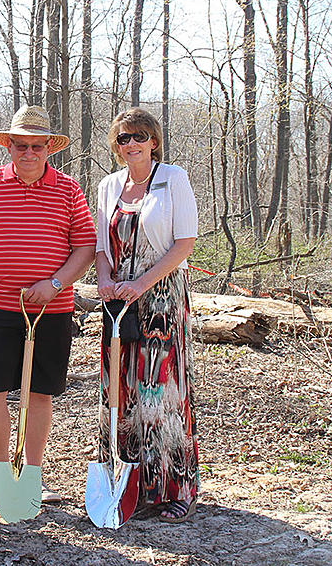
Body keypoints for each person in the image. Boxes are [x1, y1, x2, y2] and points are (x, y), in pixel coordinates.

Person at [0, 104, 96, 504]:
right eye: (21, 145)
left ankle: (32, 475)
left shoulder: (68, 189)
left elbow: (85, 246)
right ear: (10, 147)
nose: (29, 153)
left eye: (37, 146)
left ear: (49, 148)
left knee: (39, 393)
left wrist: (55, 284)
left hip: (51, 309)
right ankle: (0, 473)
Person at [94, 107, 199, 523]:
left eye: (139, 136)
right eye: (123, 138)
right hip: (118, 298)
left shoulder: (173, 179)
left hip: (161, 296)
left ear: (153, 140)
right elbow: (101, 245)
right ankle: (128, 485)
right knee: (119, 389)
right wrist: (105, 281)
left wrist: (144, 283)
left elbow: (184, 243)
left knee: (161, 389)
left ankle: (175, 488)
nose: (131, 144)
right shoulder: (108, 186)